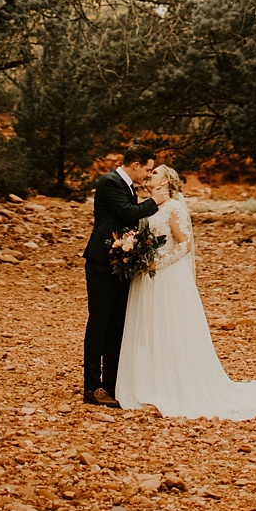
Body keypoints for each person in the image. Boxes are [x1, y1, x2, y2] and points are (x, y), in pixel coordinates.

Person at [115, 164, 256, 421]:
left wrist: (157, 263)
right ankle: (146, 384)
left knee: (170, 327)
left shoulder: (174, 208)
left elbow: (185, 245)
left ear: (167, 181)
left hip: (167, 276)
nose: (150, 174)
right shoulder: (147, 205)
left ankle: (173, 387)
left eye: (155, 172)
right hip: (146, 275)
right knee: (148, 326)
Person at [82, 144, 158, 407]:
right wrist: (156, 201)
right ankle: (92, 387)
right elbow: (128, 213)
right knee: (100, 324)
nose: (148, 175)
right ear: (135, 165)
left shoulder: (126, 185)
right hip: (101, 263)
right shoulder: (109, 182)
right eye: (147, 169)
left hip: (119, 263)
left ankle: (112, 385)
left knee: (117, 326)